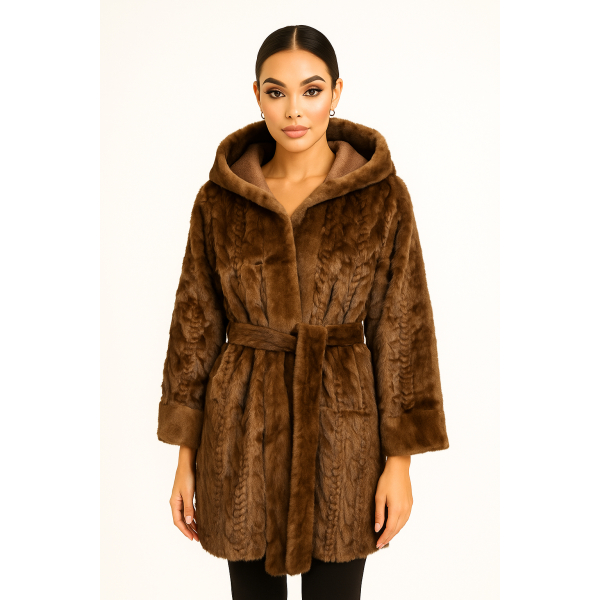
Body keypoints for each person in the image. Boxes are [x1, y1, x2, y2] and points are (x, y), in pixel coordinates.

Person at [156, 24, 450, 600]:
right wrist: (185, 457)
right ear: (257, 95)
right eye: (276, 92)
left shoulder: (381, 196)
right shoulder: (220, 199)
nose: (294, 110)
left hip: (343, 429)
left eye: (311, 90)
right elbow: (194, 329)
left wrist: (400, 464)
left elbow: (402, 328)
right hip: (241, 429)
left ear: (336, 92)